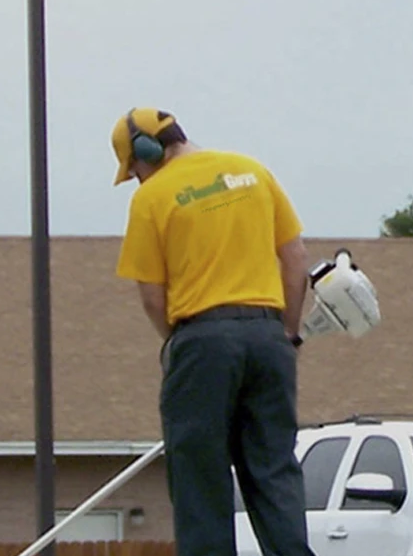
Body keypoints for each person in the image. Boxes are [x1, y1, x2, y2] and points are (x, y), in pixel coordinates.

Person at [111, 107, 314, 556]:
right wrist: (287, 333)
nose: (138, 179)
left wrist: (180, 341)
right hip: (268, 339)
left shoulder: (152, 198)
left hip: (201, 339)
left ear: (146, 150)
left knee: (200, 478)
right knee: (274, 469)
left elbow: (151, 296)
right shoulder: (252, 171)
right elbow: (295, 256)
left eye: (134, 169)